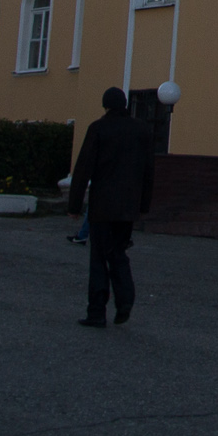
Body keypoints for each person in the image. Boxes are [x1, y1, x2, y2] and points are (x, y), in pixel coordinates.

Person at [68, 87, 155, 326]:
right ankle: (125, 300)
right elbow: (148, 170)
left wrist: (74, 205)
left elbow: (83, 168)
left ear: (105, 105)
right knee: (118, 252)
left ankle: (97, 312)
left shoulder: (98, 128)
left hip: (102, 206)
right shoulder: (141, 130)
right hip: (128, 207)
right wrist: (144, 205)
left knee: (98, 258)